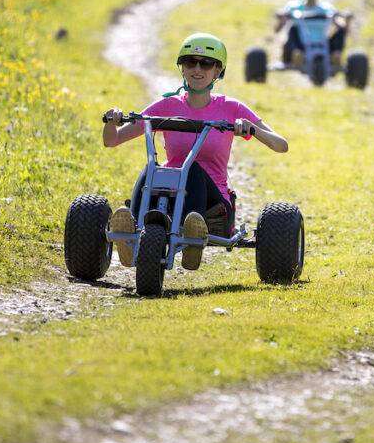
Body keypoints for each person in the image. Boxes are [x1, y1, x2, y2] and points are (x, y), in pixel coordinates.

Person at [102, 33, 288, 271]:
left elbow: (280, 145)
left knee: (192, 169)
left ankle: (193, 234)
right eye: (190, 62)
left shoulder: (231, 108)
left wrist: (251, 128)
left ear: (218, 71)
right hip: (166, 190)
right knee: (151, 168)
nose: (197, 69)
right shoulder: (166, 106)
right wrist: (111, 121)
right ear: (182, 68)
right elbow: (113, 140)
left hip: (213, 200)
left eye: (206, 63)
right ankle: (129, 233)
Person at [275, 0, 352, 67]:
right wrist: (281, 19)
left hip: (323, 46)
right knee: (293, 29)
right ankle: (297, 56)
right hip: (300, 46)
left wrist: (347, 21)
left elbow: (342, 28)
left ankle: (335, 56)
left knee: (340, 32)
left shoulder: (326, 8)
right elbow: (277, 30)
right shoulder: (293, 7)